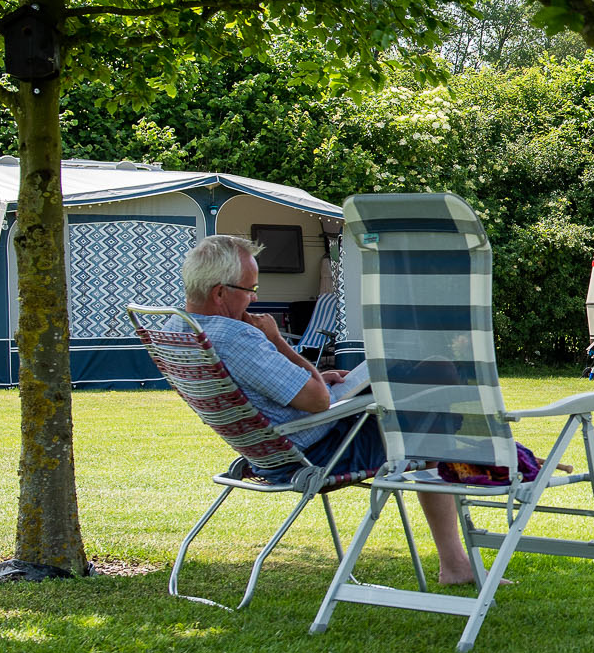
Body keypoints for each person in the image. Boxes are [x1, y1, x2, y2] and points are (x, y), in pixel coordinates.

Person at [182, 235, 479, 585]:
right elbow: (319, 401)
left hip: (270, 452)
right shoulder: (236, 337)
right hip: (322, 452)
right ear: (220, 293)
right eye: (250, 288)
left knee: (427, 378)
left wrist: (317, 378)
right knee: (434, 408)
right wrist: (278, 341)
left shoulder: (182, 330)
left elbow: (264, 390)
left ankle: (460, 547)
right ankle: (457, 560)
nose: (255, 298)